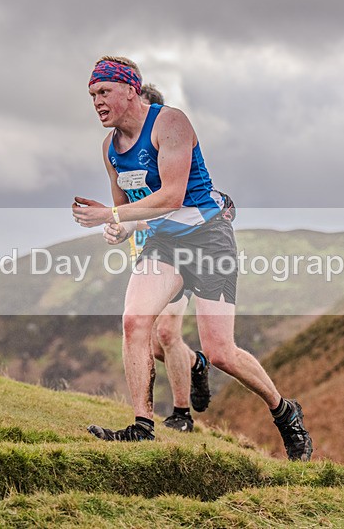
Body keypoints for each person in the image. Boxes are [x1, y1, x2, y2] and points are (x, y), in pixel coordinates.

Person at [73, 56, 312, 461]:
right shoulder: (110, 149)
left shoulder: (170, 123)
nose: (96, 102)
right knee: (135, 321)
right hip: (164, 241)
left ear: (130, 89)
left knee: (220, 352)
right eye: (92, 95)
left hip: (208, 239)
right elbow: (130, 208)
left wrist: (112, 216)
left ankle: (284, 411)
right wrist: (116, 228)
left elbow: (172, 196)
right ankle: (142, 426)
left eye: (104, 92)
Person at [115, 82, 211, 433]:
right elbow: (125, 205)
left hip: (180, 252)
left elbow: (182, 199)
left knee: (168, 333)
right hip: (145, 253)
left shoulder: (169, 151)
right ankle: (196, 363)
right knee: (152, 342)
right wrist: (118, 224)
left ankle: (182, 415)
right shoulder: (123, 155)